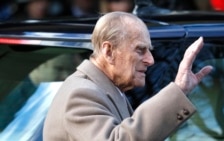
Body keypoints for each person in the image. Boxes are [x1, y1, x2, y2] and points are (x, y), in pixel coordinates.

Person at [43, 11, 213, 141]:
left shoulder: (103, 89)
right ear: (109, 51)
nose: (150, 60)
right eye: (140, 50)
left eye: (149, 51)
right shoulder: (81, 94)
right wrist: (179, 89)